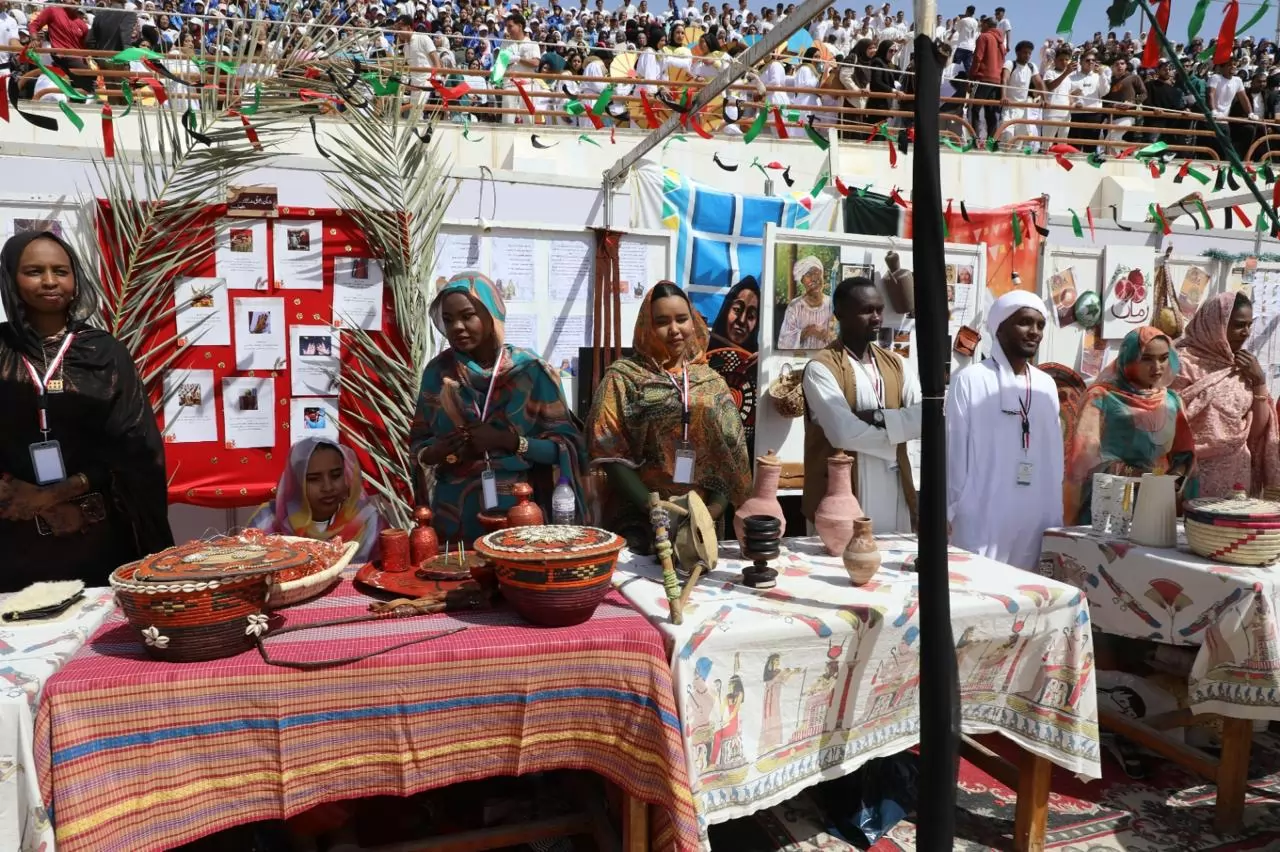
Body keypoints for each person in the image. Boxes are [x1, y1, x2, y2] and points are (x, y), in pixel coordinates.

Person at [0, 230, 172, 590]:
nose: (50, 281)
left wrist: (57, 496)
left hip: (92, 528)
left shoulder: (104, 353)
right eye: (34, 271)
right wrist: (22, 495)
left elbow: (136, 447)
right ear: (11, 278)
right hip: (11, 535)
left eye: (60, 271)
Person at [409, 273, 586, 543]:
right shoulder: (437, 373)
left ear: (492, 314)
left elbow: (565, 448)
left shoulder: (530, 371)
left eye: (468, 315)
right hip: (453, 518)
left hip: (519, 515)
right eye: (448, 319)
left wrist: (509, 441)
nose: (456, 326)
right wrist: (436, 451)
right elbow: (418, 447)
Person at [586, 281, 750, 551]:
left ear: (694, 322)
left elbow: (730, 455)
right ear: (647, 327)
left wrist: (712, 511)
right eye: (662, 321)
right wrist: (652, 507)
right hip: (640, 520)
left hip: (702, 523)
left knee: (699, 587)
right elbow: (608, 450)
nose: (674, 330)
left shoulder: (711, 381)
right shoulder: (623, 378)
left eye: (682, 319)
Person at [946, 290, 1062, 571]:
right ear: (999, 328)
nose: (1034, 332)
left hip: (1037, 515)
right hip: (983, 516)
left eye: (1040, 325)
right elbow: (953, 454)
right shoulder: (970, 380)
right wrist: (950, 509)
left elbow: (1056, 457)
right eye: (1024, 322)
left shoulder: (1046, 385)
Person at [802, 277, 921, 533]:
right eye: (867, 310)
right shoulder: (821, 368)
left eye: (879, 309)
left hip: (894, 489)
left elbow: (925, 417)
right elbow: (843, 433)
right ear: (840, 315)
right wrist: (897, 437)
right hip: (841, 499)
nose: (877, 317)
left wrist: (878, 417)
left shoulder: (896, 364)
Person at [1063, 327, 1195, 525]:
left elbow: (1184, 454)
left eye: (1163, 358)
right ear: (1130, 357)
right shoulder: (1101, 399)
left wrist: (1172, 481)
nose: (1157, 367)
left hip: (1158, 505)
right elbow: (1083, 461)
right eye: (1147, 358)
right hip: (1109, 504)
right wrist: (1135, 475)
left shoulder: (1171, 401)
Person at [1172, 292, 1280, 498]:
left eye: (1249, 325)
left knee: (1227, 531)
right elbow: (1168, 426)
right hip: (1191, 476)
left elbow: (1255, 431)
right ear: (1215, 325)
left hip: (1236, 479)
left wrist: (1259, 382)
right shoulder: (1181, 364)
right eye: (1239, 325)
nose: (1246, 332)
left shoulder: (1244, 366)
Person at [248, 438, 384, 562]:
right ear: (296, 483)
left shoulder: (368, 523)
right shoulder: (267, 521)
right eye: (314, 479)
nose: (328, 487)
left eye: (336, 476)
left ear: (347, 477)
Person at [777, 256, 835, 351]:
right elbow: (784, 343)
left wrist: (831, 335)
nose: (814, 279)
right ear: (802, 280)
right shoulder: (795, 306)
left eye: (817, 273)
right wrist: (809, 331)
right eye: (808, 275)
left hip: (826, 359)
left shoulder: (832, 304)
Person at [709, 276, 760, 353]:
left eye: (750, 316)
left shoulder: (762, 363)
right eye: (737, 310)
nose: (742, 320)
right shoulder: (701, 357)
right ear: (726, 311)